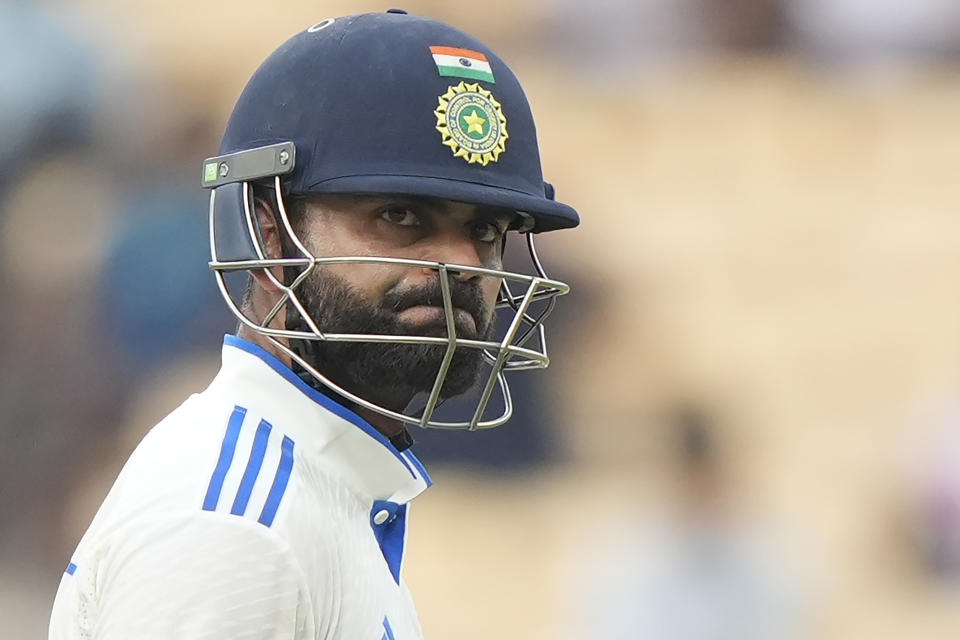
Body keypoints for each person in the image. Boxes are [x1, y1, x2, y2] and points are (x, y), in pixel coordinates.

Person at [49, 10, 579, 640]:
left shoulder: (323, 490)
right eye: (401, 215)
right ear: (270, 232)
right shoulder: (234, 527)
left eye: (484, 230)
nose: (462, 263)